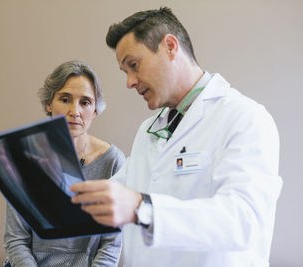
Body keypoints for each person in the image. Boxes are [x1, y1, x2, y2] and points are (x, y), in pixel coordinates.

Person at [70, 7, 282, 267]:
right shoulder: (149, 131)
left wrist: (142, 209)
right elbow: (111, 195)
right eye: (125, 72)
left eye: (134, 66)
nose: (130, 82)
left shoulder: (245, 118)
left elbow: (244, 221)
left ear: (170, 46)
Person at [4, 60, 125, 267]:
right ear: (49, 104)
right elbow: (16, 240)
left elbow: (112, 245)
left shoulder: (113, 162)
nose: (75, 111)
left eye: (85, 102)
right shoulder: (24, 158)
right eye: (65, 99)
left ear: (95, 109)